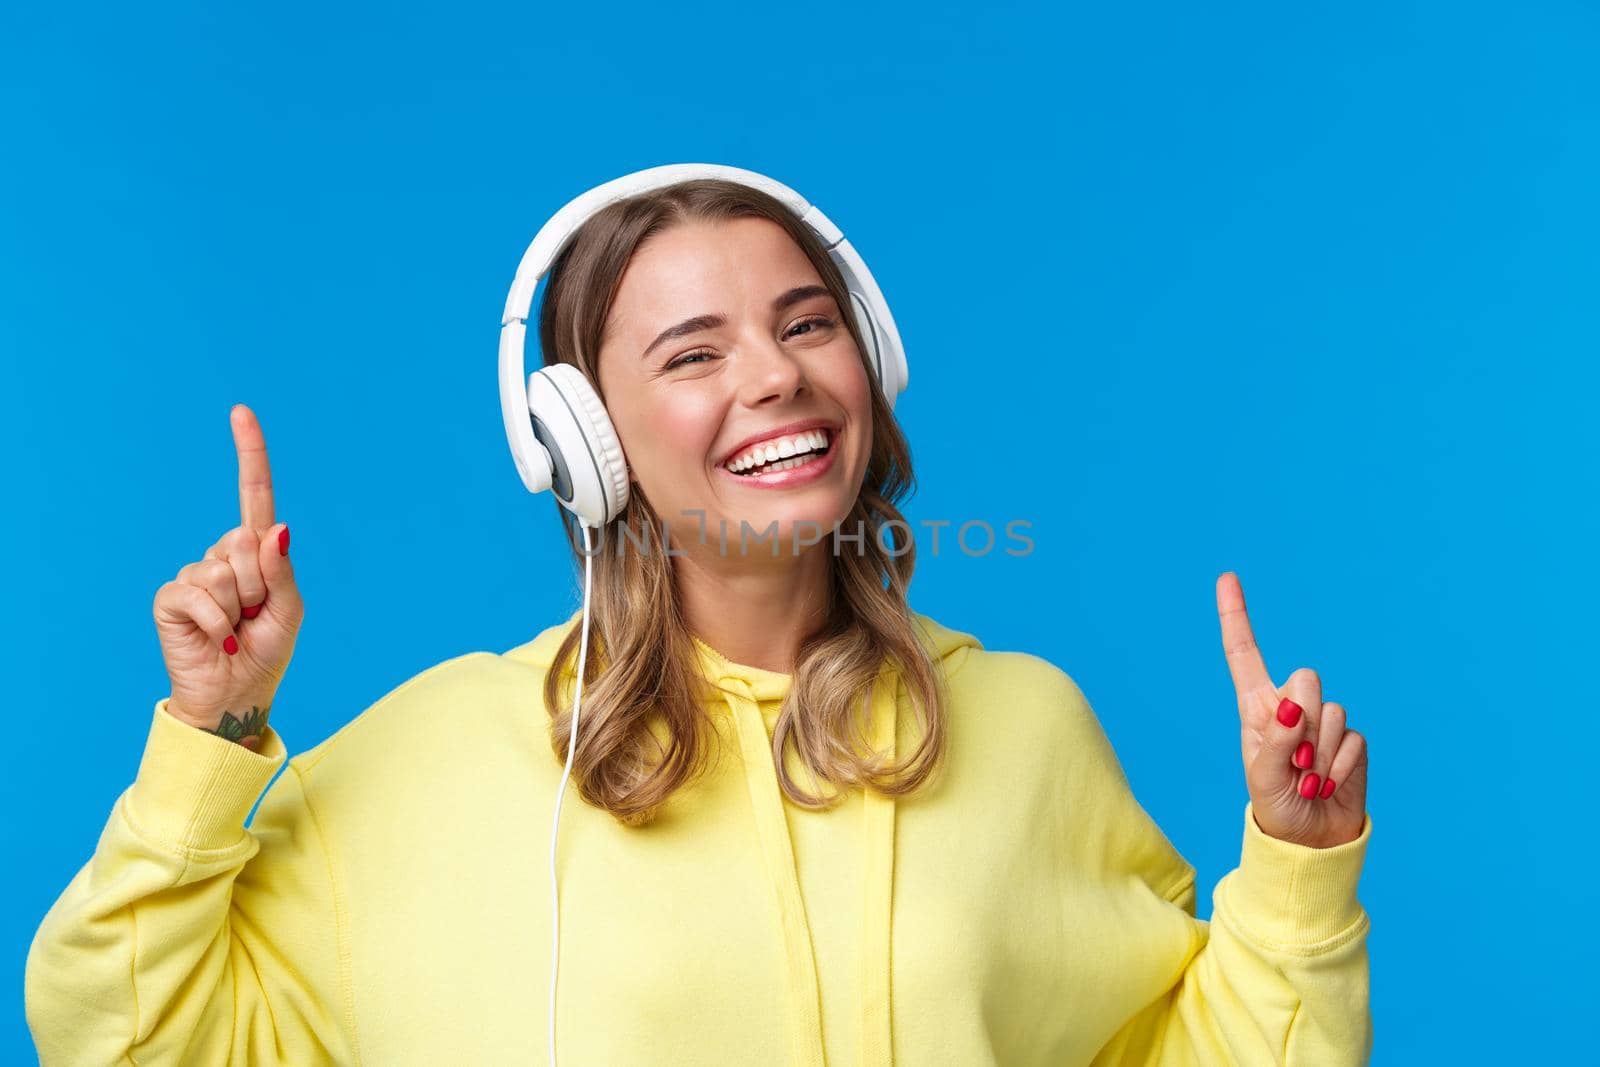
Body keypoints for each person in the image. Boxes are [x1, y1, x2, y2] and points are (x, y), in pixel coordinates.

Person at [24, 171, 1374, 1066]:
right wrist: (218, 732)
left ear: (873, 366)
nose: (776, 378)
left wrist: (1296, 864)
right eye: (693, 354)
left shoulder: (1026, 726)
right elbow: (119, 1032)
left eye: (806, 325)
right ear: (579, 438)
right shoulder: (433, 760)